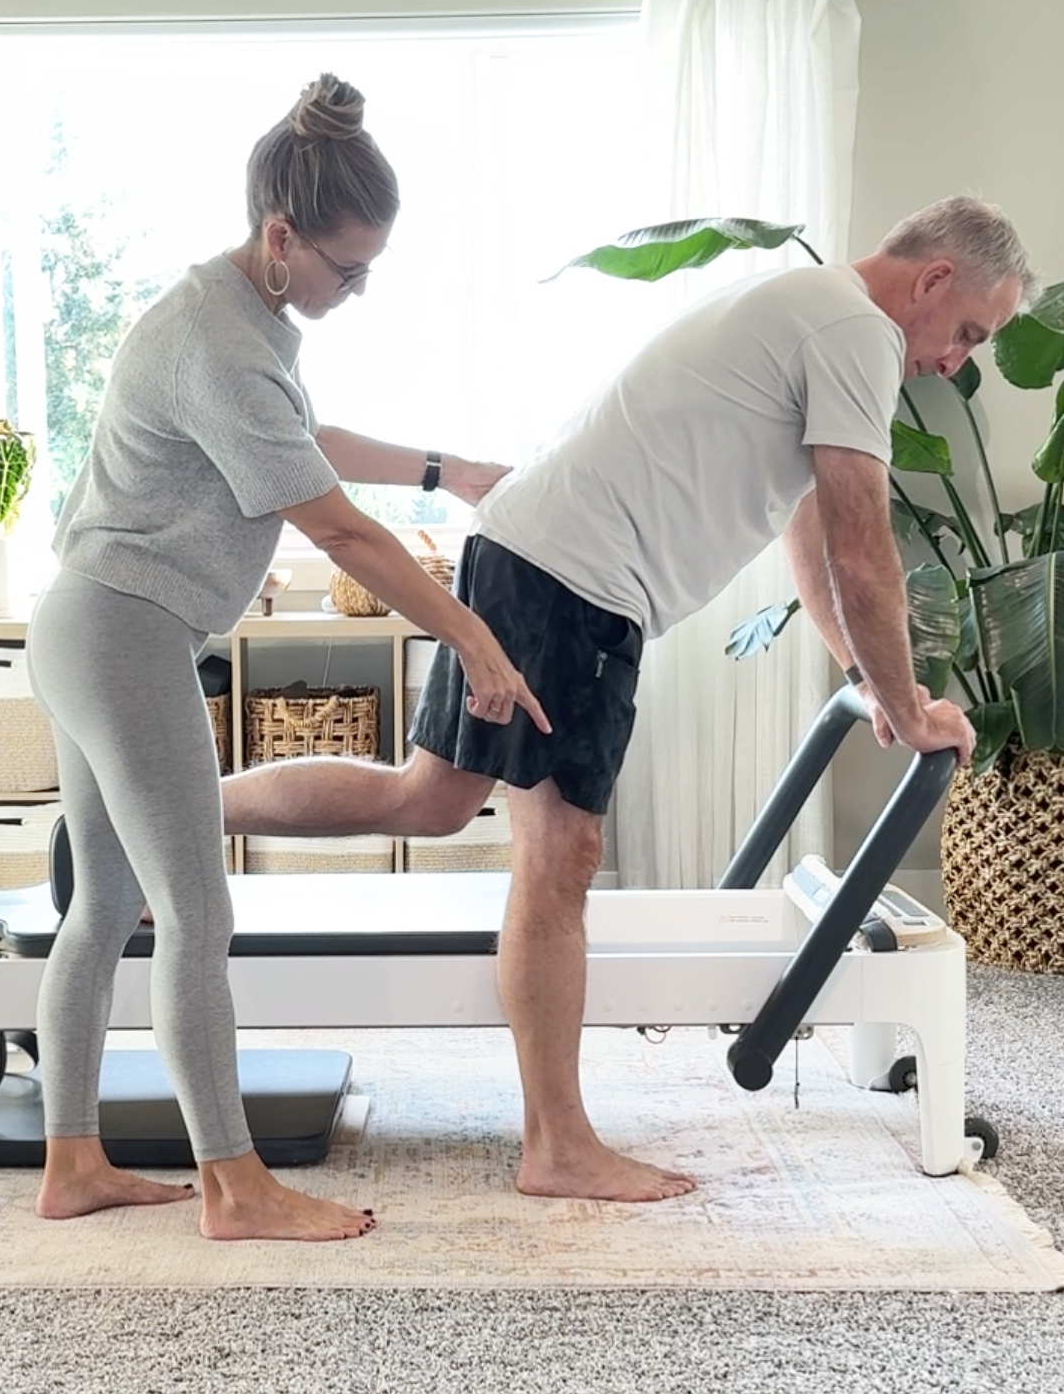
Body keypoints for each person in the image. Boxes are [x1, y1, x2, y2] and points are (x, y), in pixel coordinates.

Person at [220, 194, 1035, 1205]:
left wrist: (870, 678)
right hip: (574, 584)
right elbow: (866, 555)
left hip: (534, 557)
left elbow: (813, 526)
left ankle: (181, 802)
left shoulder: (816, 310)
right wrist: (913, 709)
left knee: (426, 800)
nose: (955, 360)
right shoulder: (854, 332)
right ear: (935, 278)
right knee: (561, 854)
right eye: (966, 334)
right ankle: (556, 1145)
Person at [26, 73, 549, 1243]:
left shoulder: (240, 316)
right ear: (281, 235)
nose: (354, 290)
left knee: (105, 903)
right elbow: (337, 528)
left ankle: (73, 1164)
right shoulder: (218, 338)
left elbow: (304, 439)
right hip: (124, 632)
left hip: (89, 622)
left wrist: (444, 468)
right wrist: (471, 632)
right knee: (193, 913)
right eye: (345, 269)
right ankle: (235, 1186)